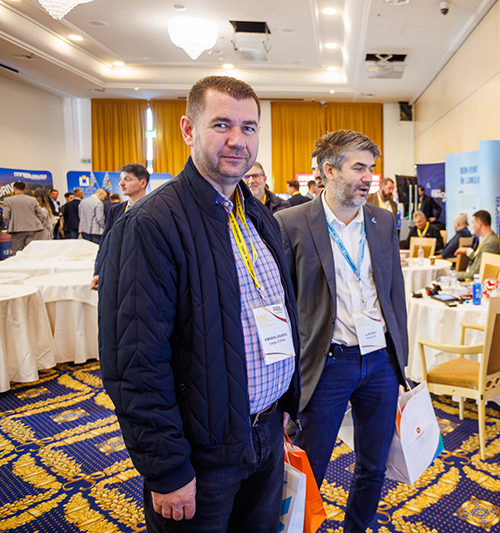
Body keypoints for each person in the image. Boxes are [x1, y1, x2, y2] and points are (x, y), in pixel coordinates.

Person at [99, 75, 300, 533]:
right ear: (189, 130)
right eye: (222, 124)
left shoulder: (257, 216)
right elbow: (135, 362)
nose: (238, 140)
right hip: (200, 453)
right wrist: (167, 467)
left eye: (249, 127)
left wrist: (285, 405)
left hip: (267, 435)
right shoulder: (151, 224)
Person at [275, 129, 408, 533]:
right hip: (326, 363)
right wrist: (284, 382)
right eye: (358, 168)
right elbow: (283, 304)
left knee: (374, 465)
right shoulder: (291, 223)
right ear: (329, 170)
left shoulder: (382, 220)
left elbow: (394, 292)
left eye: (372, 168)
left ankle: (357, 527)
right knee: (309, 468)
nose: (369, 178)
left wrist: (400, 360)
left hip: (380, 362)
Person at [92, 163, 150, 290]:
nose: (121, 183)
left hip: (146, 276)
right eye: (121, 179)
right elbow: (105, 244)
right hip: (118, 274)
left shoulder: (155, 210)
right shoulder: (115, 211)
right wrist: (98, 272)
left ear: (142, 183)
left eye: (127, 179)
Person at [1, 181, 50, 253]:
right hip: (32, 229)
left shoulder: (8, 200)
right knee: (30, 251)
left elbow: (5, 216)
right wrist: (39, 224)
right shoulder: (33, 199)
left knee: (17, 252)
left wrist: (9, 226)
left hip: (16, 230)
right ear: (24, 189)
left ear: (13, 188)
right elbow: (41, 215)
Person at [455, 210, 499, 281]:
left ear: (479, 224)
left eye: (473, 223)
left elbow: (474, 274)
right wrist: (467, 251)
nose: (472, 227)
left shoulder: (489, 243)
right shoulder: (489, 239)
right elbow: (480, 258)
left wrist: (453, 275)